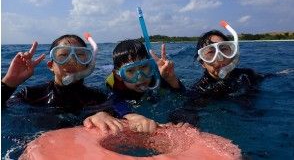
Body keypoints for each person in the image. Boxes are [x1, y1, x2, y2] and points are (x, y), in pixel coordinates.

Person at [1, 34, 157, 133]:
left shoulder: (99, 97)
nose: (72, 60)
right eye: (63, 55)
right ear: (51, 66)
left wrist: (131, 116)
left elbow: (119, 104)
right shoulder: (31, 95)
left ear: (88, 64)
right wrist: (9, 83)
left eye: (81, 55)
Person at [192, 21, 263, 98]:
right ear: (202, 63)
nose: (220, 58)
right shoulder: (200, 89)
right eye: (211, 52)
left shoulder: (248, 75)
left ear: (233, 54)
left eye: (224, 49)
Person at [104, 39, 184, 102]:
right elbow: (113, 104)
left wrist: (172, 80)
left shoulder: (157, 75)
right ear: (119, 76)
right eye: (130, 71)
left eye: (144, 66)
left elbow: (183, 96)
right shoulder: (114, 86)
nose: (140, 76)